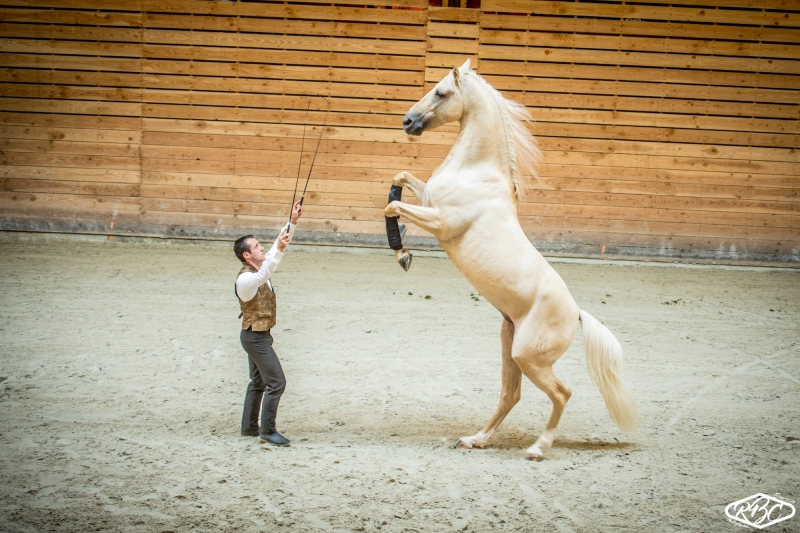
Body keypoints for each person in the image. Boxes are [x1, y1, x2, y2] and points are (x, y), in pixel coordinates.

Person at [233, 201, 303, 446]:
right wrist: (280, 249)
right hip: (255, 339)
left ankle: (250, 427)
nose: (262, 248)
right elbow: (267, 270)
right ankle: (267, 430)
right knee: (277, 383)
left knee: (259, 382)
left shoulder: (259, 268)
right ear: (246, 255)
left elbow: (273, 254)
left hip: (258, 336)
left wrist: (292, 222)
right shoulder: (246, 279)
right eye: (257, 247)